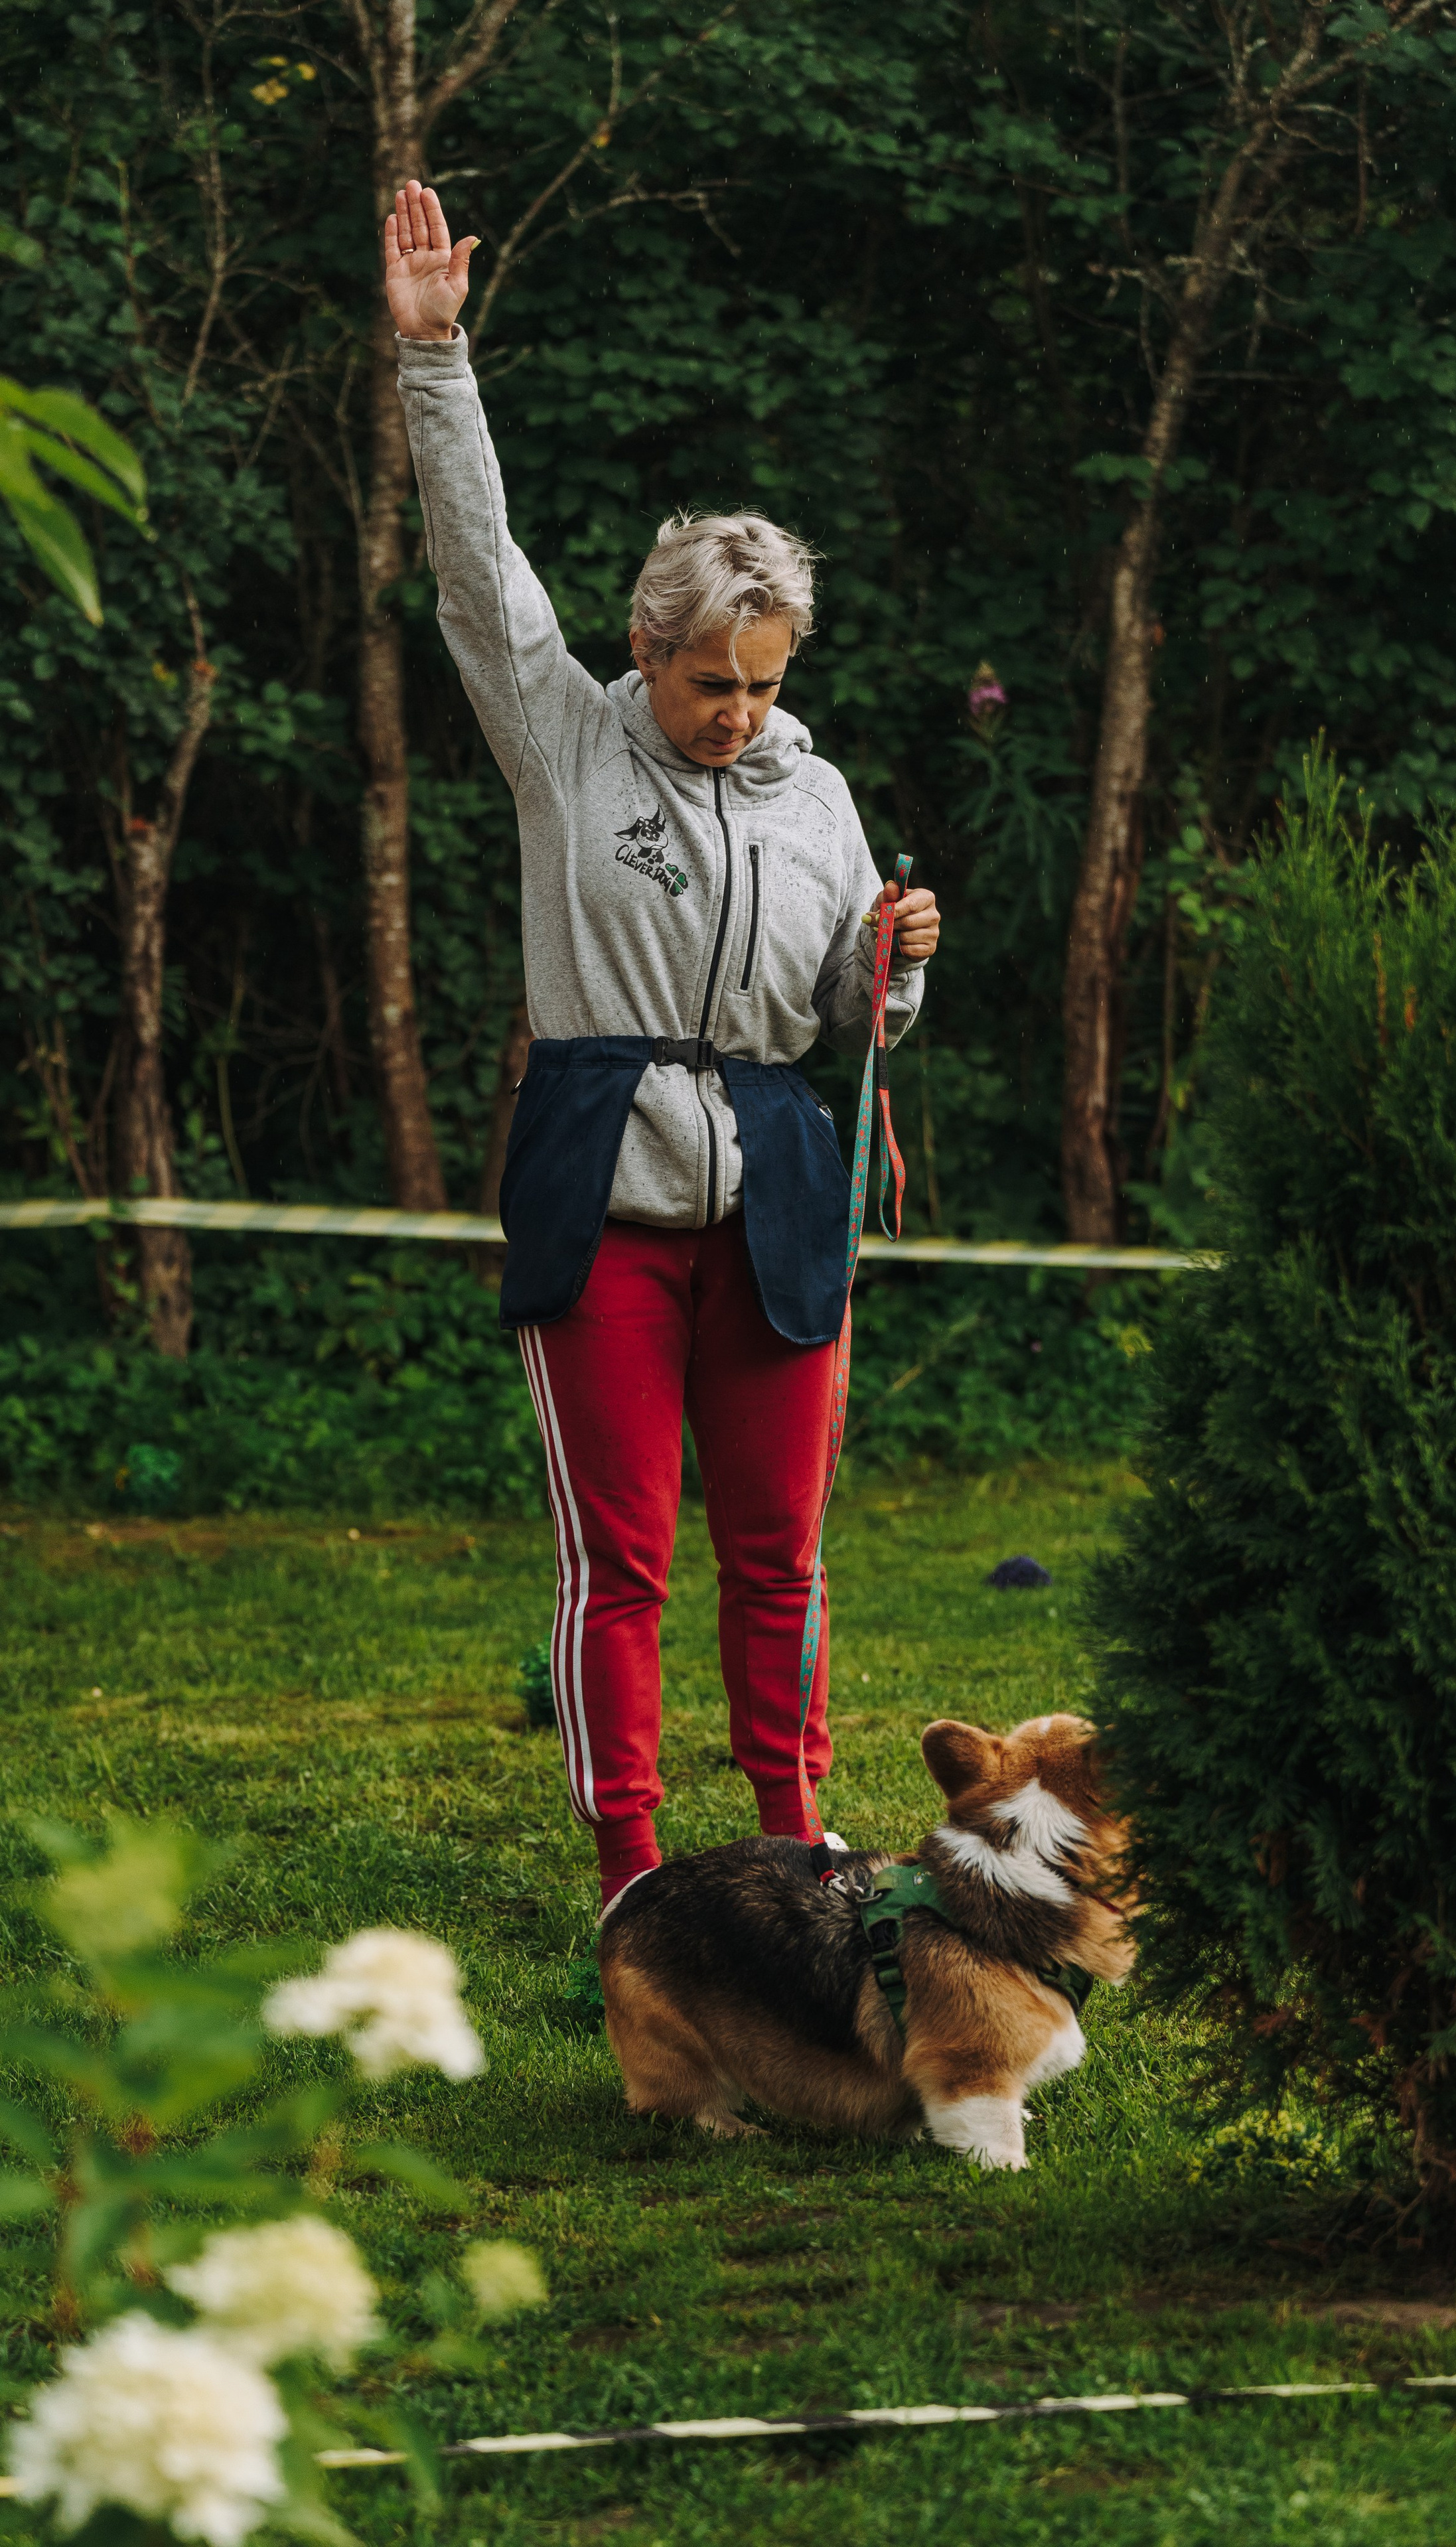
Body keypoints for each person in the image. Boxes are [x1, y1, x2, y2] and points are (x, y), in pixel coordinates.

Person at [384, 181, 941, 1910]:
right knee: (619, 1561)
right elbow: (480, 574)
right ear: (649, 649)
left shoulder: (822, 794)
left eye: (766, 684)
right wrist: (433, 360)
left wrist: (895, 969)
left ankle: (794, 1852)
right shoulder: (565, 737)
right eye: (715, 682)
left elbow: (853, 1031)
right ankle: (633, 1878)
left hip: (778, 1185)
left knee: (780, 1558)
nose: (741, 715)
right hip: (604, 1189)